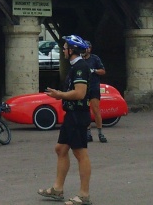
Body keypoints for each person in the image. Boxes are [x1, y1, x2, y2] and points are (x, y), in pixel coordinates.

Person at [37, 35, 92, 205]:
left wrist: (59, 95)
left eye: (65, 47)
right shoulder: (75, 67)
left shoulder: (80, 67)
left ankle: (84, 195)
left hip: (78, 115)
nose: (63, 49)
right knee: (61, 149)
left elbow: (80, 93)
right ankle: (57, 189)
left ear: (72, 50)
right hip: (71, 115)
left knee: (80, 153)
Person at [82, 41, 107, 143]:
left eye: (87, 48)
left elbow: (103, 71)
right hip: (83, 87)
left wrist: (94, 71)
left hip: (93, 86)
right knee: (85, 111)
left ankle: (100, 133)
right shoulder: (80, 60)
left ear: (90, 49)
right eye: (84, 48)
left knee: (96, 110)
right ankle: (88, 133)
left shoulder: (95, 58)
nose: (86, 49)